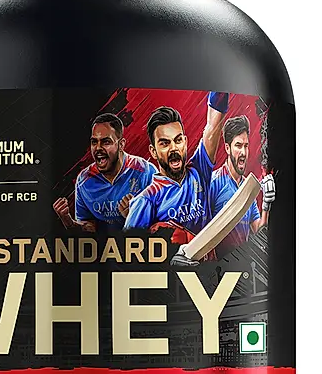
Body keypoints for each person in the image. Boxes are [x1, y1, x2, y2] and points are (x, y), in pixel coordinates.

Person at [124, 92, 229, 236]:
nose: (174, 148)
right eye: (165, 143)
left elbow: (214, 124)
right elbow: (128, 246)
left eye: (178, 140)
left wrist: (220, 86)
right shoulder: (146, 200)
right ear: (153, 152)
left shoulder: (199, 169)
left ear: (185, 142)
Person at [53, 113, 156, 232]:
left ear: (121, 144)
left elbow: (161, 224)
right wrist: (69, 223)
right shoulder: (84, 180)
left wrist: (135, 217)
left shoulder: (146, 172)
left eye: (106, 142)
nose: (98, 148)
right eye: (94, 142)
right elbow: (89, 226)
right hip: (104, 244)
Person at [209, 115, 276, 257]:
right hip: (214, 267)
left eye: (246, 146)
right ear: (227, 148)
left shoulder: (248, 189)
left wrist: (266, 205)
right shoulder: (213, 183)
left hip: (242, 264)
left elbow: (258, 232)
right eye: (238, 146)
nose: (244, 153)